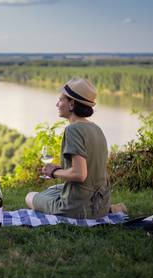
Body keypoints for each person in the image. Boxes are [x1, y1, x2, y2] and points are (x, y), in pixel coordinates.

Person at [25, 78, 111, 219]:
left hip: (79, 208)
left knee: (30, 196)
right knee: (52, 190)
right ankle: (111, 209)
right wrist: (60, 169)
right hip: (102, 204)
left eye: (60, 100)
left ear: (71, 104)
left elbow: (80, 174)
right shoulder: (96, 129)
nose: (57, 104)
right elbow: (88, 169)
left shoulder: (73, 130)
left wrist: (54, 172)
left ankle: (76, 211)